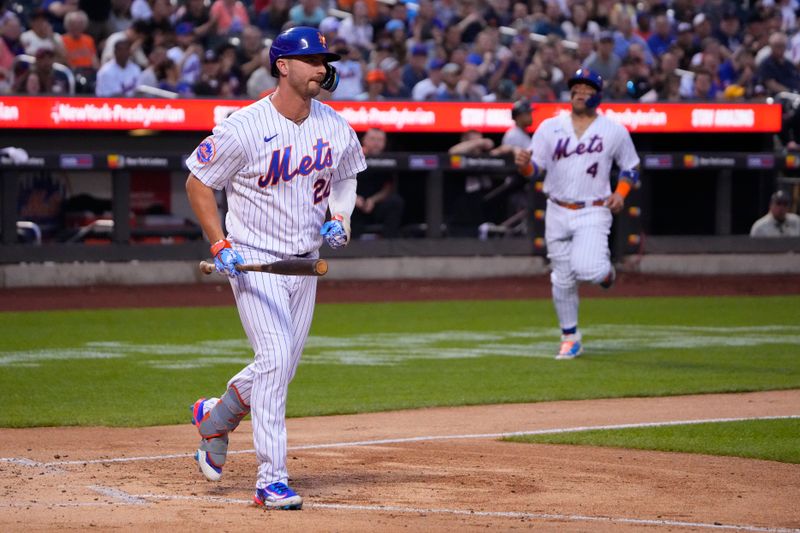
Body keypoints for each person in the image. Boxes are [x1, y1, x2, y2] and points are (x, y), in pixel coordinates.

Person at [185, 26, 366, 510]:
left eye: (325, 60)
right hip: (253, 262)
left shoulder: (333, 124)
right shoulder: (243, 126)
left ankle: (216, 416)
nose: (321, 68)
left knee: (279, 368)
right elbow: (198, 182)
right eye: (311, 60)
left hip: (305, 266)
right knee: (272, 361)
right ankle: (271, 478)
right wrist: (219, 241)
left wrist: (340, 218)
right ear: (283, 66)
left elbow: (347, 173)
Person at [514, 68, 640, 360]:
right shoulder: (550, 127)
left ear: (598, 95)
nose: (580, 93)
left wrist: (620, 193)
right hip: (557, 208)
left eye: (587, 89)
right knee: (562, 278)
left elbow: (630, 167)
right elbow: (536, 170)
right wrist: (523, 165)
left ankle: (606, 273)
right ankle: (570, 336)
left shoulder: (613, 130)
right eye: (576, 88)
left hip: (593, 209)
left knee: (589, 270)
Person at [351, 127, 404, 238]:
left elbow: (388, 187)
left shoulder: (388, 159)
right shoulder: (351, 156)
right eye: (373, 139)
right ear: (364, 140)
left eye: (380, 140)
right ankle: (349, 247)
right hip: (354, 202)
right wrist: (353, 198)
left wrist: (373, 200)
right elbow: (338, 183)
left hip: (375, 203)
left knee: (395, 202)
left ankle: (389, 246)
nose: (376, 143)